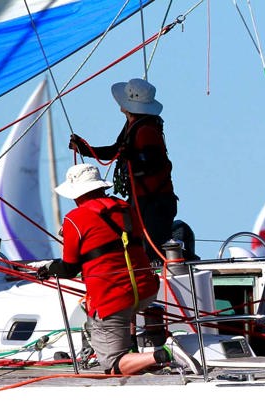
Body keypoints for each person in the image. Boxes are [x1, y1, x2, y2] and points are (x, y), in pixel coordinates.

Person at [38, 164, 199, 375]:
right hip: (145, 291)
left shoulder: (74, 219)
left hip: (112, 299)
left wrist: (48, 270)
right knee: (127, 311)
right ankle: (135, 352)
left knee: (113, 364)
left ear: (76, 194)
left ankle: (166, 353)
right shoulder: (125, 207)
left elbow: (69, 268)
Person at [69, 78, 196, 262]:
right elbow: (115, 150)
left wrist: (133, 155)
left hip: (154, 201)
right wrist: (85, 149)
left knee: (153, 251)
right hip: (144, 199)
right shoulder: (134, 124)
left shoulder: (145, 129)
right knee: (144, 246)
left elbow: (153, 162)